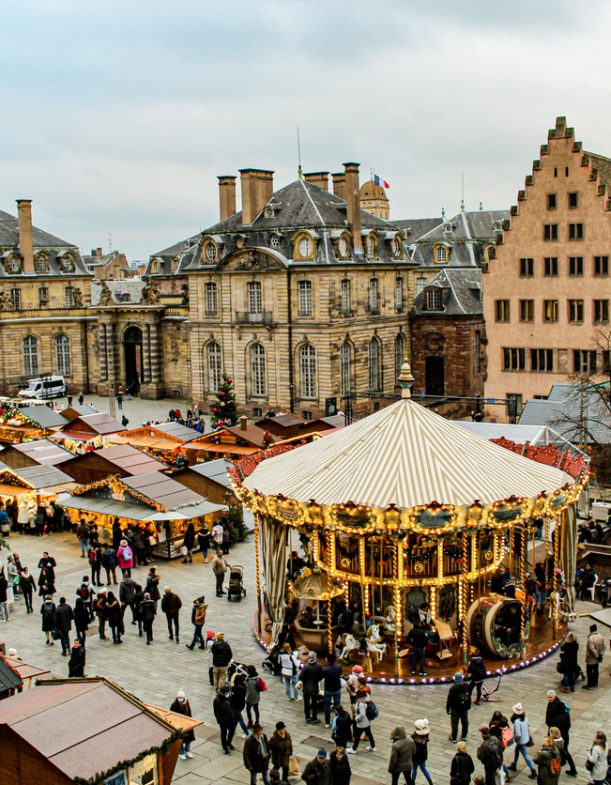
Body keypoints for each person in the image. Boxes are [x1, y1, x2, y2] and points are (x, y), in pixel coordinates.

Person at [545, 689, 576, 776]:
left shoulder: (557, 716)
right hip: (564, 734)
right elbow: (568, 725)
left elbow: (549, 721)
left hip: (557, 735)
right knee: (564, 750)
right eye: (548, 697)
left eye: (550, 697)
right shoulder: (565, 714)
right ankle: (569, 766)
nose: (549, 699)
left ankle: (555, 765)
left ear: (554, 696)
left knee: (559, 750)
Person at [508, 704, 537, 779]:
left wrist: (512, 737)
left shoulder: (517, 721)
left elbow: (518, 734)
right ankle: (514, 764)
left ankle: (533, 770)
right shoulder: (525, 717)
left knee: (525, 755)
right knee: (517, 750)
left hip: (521, 741)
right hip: (526, 738)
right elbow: (527, 726)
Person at [169, 689, 195, 760]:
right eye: (179, 698)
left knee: (188, 739)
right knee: (180, 739)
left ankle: (187, 750)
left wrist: (190, 721)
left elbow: (189, 711)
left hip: (187, 724)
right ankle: (181, 752)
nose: (180, 699)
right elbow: (172, 716)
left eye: (181, 698)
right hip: (179, 725)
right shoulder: (174, 705)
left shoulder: (186, 702)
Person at [299, 651, 323, 724]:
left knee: (306, 703)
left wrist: (305, 681)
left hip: (306, 687)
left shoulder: (306, 667)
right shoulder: (319, 666)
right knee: (314, 703)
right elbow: (321, 676)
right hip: (315, 687)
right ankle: (314, 717)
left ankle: (307, 717)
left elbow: (300, 677)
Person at [446, 672, 471, 743]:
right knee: (465, 721)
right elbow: (469, 696)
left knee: (454, 723)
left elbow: (449, 699)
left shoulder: (453, 688)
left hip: (455, 708)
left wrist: (448, 709)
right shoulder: (467, 685)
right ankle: (464, 736)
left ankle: (454, 738)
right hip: (464, 707)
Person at [349, 689, 376, 753]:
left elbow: (362, 714)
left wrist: (356, 718)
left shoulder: (361, 704)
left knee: (357, 736)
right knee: (369, 733)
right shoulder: (366, 700)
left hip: (362, 723)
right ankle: (373, 746)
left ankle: (354, 749)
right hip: (367, 721)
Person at [323, 652, 343, 727]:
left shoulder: (325, 669)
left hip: (328, 689)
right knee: (337, 705)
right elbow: (340, 674)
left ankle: (327, 722)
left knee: (327, 706)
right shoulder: (339, 667)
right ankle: (338, 721)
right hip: (337, 688)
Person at [213, 685, 235, 754]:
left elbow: (231, 706)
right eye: (227, 692)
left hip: (230, 718)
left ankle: (229, 743)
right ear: (223, 693)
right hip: (223, 720)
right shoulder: (217, 700)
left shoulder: (228, 698)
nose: (228, 694)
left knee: (232, 731)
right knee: (224, 733)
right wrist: (220, 721)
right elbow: (216, 713)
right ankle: (225, 746)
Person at [409, 719, 432, 784]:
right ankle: (430, 782)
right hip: (423, 755)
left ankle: (412, 782)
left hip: (416, 756)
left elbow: (415, 744)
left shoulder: (416, 735)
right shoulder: (426, 734)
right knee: (424, 768)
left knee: (414, 768)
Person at [583, 623, 604, 689]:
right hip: (597, 659)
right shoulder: (601, 636)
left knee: (589, 672)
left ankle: (590, 684)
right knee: (596, 671)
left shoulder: (591, 638)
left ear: (591, 630)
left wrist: (596, 656)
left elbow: (591, 649)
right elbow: (604, 647)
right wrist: (601, 654)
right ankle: (595, 683)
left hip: (591, 659)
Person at [231, 673, 250, 738]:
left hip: (235, 706)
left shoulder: (234, 688)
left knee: (240, 719)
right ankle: (232, 730)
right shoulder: (244, 686)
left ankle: (247, 733)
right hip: (242, 704)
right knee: (235, 718)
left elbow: (233, 698)